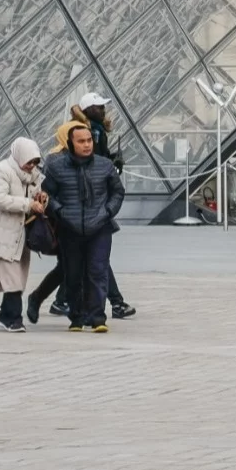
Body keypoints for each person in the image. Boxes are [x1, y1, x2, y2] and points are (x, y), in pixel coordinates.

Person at [42, 120, 124, 331]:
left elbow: (118, 192)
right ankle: (77, 317)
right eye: (81, 141)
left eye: (89, 140)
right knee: (74, 273)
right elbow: (46, 194)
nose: (87, 145)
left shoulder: (105, 165)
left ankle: (98, 318)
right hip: (70, 228)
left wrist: (107, 212)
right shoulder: (57, 167)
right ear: (70, 144)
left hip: (100, 227)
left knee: (98, 271)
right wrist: (59, 211)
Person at [75, 97, 136, 319]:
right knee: (96, 259)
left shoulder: (89, 130)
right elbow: (97, 165)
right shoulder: (94, 131)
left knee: (85, 258)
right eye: (100, 106)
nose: (103, 110)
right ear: (89, 109)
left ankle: (61, 300)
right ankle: (116, 303)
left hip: (92, 210)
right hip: (92, 209)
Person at [0, 139, 47, 332]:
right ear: (19, 156)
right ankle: (14, 318)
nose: (31, 165)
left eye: (35, 162)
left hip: (21, 234)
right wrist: (28, 204)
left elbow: (35, 195)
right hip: (2, 232)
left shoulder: (34, 175)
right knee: (13, 278)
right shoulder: (1, 171)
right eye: (29, 161)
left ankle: (5, 314)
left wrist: (39, 199)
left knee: (18, 277)